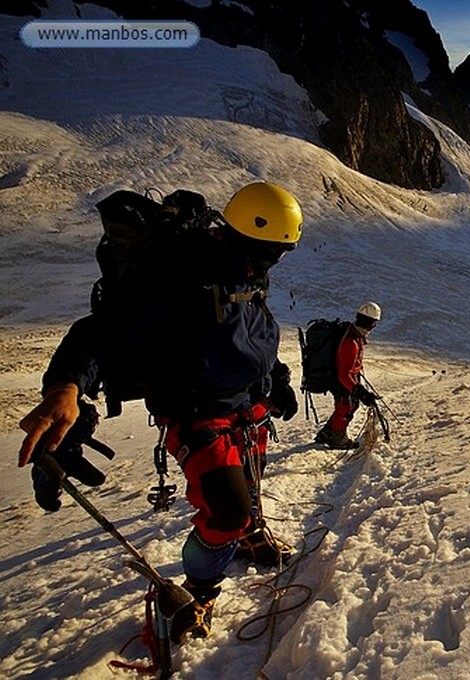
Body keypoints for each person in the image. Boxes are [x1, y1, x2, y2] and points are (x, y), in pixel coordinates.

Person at [17, 181, 303, 643]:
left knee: (249, 487)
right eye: (276, 251)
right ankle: (201, 587)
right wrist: (68, 385)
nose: (278, 261)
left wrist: (278, 379)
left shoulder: (248, 269)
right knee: (225, 510)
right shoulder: (179, 270)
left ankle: (250, 537)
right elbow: (104, 330)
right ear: (255, 238)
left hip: (247, 407)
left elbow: (253, 331)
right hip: (197, 410)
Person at [315, 301, 382, 449]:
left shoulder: (352, 335)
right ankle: (337, 438)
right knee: (345, 407)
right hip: (340, 380)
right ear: (372, 324)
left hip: (338, 376)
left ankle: (328, 433)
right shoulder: (351, 341)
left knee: (349, 405)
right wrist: (359, 391)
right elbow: (344, 374)